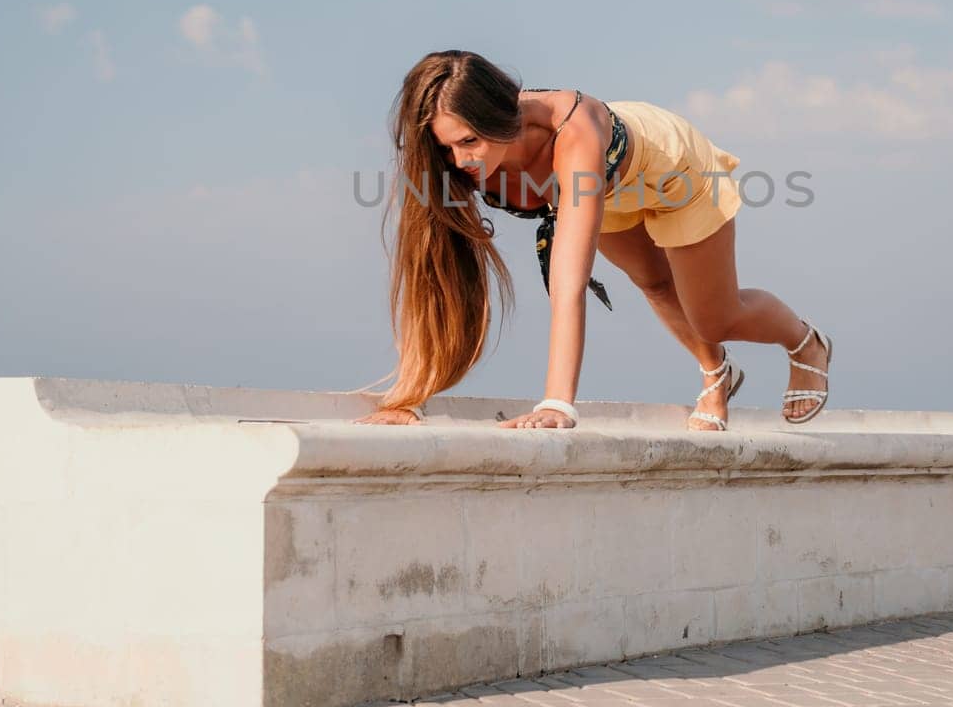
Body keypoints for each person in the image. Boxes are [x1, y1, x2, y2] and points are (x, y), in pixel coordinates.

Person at [354, 49, 833, 431]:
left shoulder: (572, 135)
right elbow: (433, 278)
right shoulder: (453, 164)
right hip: (609, 192)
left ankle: (806, 343)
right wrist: (408, 399)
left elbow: (569, 282)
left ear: (503, 119)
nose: (460, 161)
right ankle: (717, 374)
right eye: (446, 146)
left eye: (469, 142)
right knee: (655, 285)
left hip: (675, 172)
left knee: (715, 316)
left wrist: (557, 403)